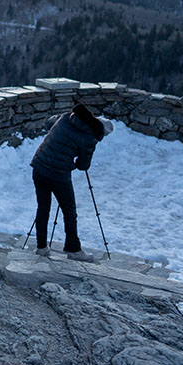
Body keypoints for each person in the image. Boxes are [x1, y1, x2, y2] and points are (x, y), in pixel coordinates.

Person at [29, 103, 113, 261]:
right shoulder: (90, 137)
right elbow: (83, 165)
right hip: (58, 174)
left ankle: (41, 247)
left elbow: (48, 122)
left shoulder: (67, 117)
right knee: (69, 211)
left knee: (43, 207)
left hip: (39, 165)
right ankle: (73, 250)